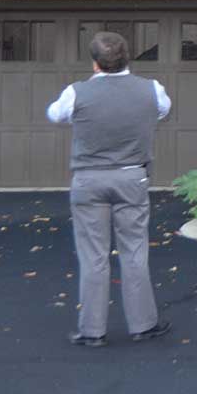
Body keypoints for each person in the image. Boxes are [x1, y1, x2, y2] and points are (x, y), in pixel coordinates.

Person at [46, 31, 172, 347]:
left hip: (89, 179)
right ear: (128, 58)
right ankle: (143, 325)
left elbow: (54, 114)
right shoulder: (151, 90)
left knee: (93, 256)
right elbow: (162, 112)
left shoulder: (77, 93)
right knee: (134, 251)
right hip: (131, 177)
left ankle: (92, 331)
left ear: (95, 64)